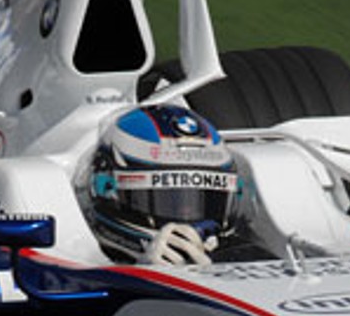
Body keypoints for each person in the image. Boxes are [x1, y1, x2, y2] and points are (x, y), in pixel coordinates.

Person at [89, 104, 242, 264]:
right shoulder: (79, 266)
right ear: (106, 190)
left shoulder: (249, 259)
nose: (187, 227)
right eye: (169, 200)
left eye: (210, 203)